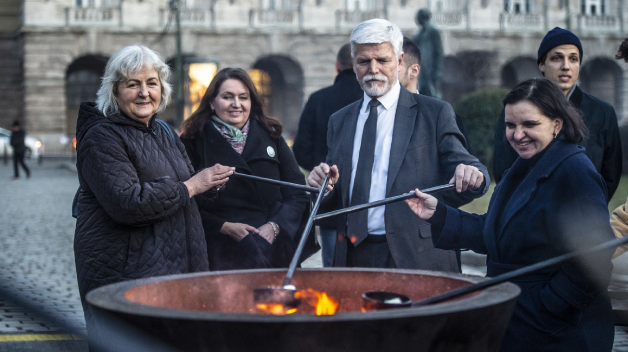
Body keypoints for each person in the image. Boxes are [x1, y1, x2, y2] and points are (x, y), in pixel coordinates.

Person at [406, 78, 615, 352]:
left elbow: (597, 256)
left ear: (557, 124)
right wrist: (440, 214)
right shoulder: (524, 165)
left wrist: (550, 305)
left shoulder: (574, 171)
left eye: (530, 124)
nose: (518, 135)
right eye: (510, 125)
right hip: (518, 318)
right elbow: (498, 233)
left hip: (560, 332)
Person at [74, 45, 233, 345]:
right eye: (132, 84)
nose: (144, 93)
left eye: (152, 83)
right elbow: (128, 203)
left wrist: (211, 185)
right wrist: (192, 186)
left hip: (173, 268)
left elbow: (188, 188)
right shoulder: (101, 136)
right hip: (126, 273)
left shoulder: (162, 130)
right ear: (114, 91)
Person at [308, 19, 489, 271]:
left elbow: (467, 168)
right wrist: (323, 188)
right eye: (363, 61)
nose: (373, 69)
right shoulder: (339, 121)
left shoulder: (434, 113)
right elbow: (336, 202)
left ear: (400, 61)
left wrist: (472, 173)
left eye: (382, 60)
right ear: (353, 64)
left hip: (418, 258)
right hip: (351, 258)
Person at [180, 68, 309, 271]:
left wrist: (275, 227)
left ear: (252, 102)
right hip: (219, 255)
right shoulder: (191, 141)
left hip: (273, 253)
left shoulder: (272, 136)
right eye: (227, 97)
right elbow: (184, 199)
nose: (236, 104)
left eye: (243, 97)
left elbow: (298, 194)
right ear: (212, 102)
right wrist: (222, 227)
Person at [493, 27, 622, 202]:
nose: (566, 66)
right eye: (556, 58)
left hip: (584, 217)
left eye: (573, 59)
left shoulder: (603, 112)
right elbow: (503, 169)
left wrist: (590, 210)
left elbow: (611, 174)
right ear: (541, 65)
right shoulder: (517, 110)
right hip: (529, 216)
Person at [293, 43, 364, 267]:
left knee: (335, 272)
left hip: (331, 201)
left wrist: (319, 168)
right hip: (371, 200)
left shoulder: (318, 99)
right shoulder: (371, 99)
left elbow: (300, 149)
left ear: (336, 66)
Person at [399, 36, 471, 154]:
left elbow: (464, 165)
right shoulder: (371, 114)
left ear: (414, 71)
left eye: (396, 65)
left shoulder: (446, 118)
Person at [413, 8, 444, 99]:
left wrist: (438, 70)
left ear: (422, 17)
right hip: (421, 68)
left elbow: (438, 52)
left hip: (430, 68)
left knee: (433, 94)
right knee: (422, 92)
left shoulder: (433, 31)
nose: (416, 19)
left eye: (417, 16)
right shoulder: (419, 34)